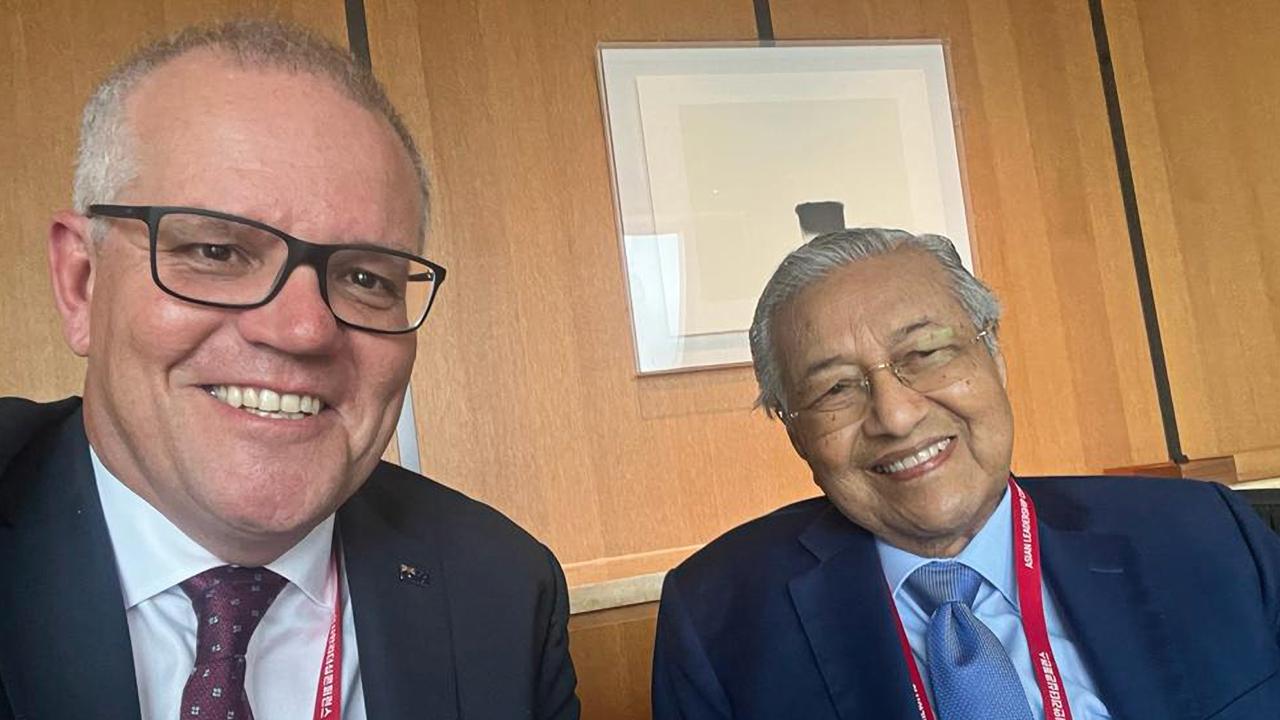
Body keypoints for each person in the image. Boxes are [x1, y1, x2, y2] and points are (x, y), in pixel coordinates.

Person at [0, 20, 578, 720]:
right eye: (217, 252)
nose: (304, 329)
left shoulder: (503, 591)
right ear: (81, 283)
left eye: (365, 276)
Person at [651, 228, 1280, 719]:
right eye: (836, 388)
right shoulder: (719, 620)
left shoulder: (1205, 534)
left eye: (924, 353)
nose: (895, 416)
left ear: (994, 355)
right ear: (796, 433)